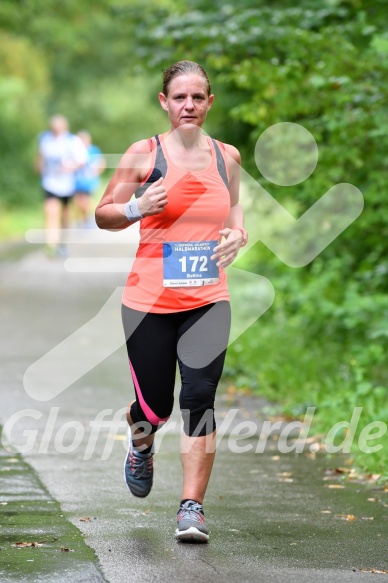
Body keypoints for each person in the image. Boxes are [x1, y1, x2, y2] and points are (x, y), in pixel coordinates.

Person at [95, 60, 247, 543]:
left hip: (208, 298)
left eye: (197, 97)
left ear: (209, 102)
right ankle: (141, 439)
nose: (189, 105)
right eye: (179, 97)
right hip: (148, 301)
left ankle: (191, 509)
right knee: (154, 407)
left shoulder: (228, 157)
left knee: (199, 398)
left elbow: (235, 205)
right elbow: (104, 214)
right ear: (165, 102)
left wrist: (237, 234)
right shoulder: (145, 153)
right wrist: (138, 207)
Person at [36, 115, 87, 256]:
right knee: (50, 211)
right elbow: (40, 157)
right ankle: (51, 244)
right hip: (49, 182)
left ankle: (62, 242)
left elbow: (82, 161)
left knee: (65, 214)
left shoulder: (72, 140)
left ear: (64, 127)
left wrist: (69, 167)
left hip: (67, 184)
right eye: (53, 128)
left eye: (58, 128)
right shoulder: (45, 139)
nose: (55, 131)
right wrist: (39, 168)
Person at [74, 130, 106, 227]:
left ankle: (87, 219)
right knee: (78, 202)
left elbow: (101, 164)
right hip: (76, 181)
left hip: (89, 181)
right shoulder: (75, 151)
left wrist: (95, 173)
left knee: (86, 201)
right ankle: (84, 219)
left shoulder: (94, 150)